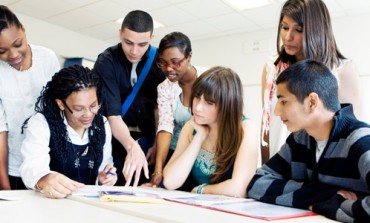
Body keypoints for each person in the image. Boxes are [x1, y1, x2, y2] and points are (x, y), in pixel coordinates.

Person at [248, 59, 370, 223]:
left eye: (283, 101)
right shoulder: (299, 140)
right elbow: (257, 183)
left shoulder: (360, 139)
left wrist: (327, 205)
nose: (276, 111)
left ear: (312, 102)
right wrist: (323, 194)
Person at [260, 0, 362, 163]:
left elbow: (352, 132)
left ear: (316, 31)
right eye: (285, 27)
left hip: (323, 167)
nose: (288, 37)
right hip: (280, 161)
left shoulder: (342, 70)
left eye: (298, 30)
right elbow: (267, 122)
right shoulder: (272, 67)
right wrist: (266, 166)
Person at [20, 65, 117, 199]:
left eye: (93, 106)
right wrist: (45, 179)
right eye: (79, 109)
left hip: (89, 205)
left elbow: (105, 166)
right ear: (61, 104)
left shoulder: (102, 124)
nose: (88, 114)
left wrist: (105, 178)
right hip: (51, 204)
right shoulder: (42, 123)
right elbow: (31, 167)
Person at [93, 10, 165, 187]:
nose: (134, 51)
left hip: (149, 140)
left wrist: (157, 144)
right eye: (128, 42)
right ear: (120, 34)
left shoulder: (159, 60)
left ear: (151, 37)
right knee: (116, 187)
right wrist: (132, 147)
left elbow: (160, 107)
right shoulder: (106, 62)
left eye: (142, 44)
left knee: (148, 191)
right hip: (117, 138)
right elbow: (113, 116)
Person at [163, 66, 259, 196]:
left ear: (227, 104)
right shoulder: (191, 127)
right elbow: (170, 181)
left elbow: (238, 189)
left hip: (233, 210)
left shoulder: (246, 129)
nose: (198, 107)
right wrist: (199, 137)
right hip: (200, 208)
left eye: (209, 102)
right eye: (197, 97)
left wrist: (200, 190)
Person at [0, 5, 60, 190]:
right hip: (14, 168)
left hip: (49, 163)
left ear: (24, 30)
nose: (14, 55)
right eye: (2, 51)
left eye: (18, 44)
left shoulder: (47, 58)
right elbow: (1, 133)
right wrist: (5, 187)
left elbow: (60, 110)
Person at [143, 32, 208, 187]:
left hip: (204, 153)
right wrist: (158, 170)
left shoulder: (209, 78)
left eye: (175, 62)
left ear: (189, 56)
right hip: (175, 152)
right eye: (163, 63)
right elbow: (165, 127)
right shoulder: (165, 88)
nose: (169, 69)